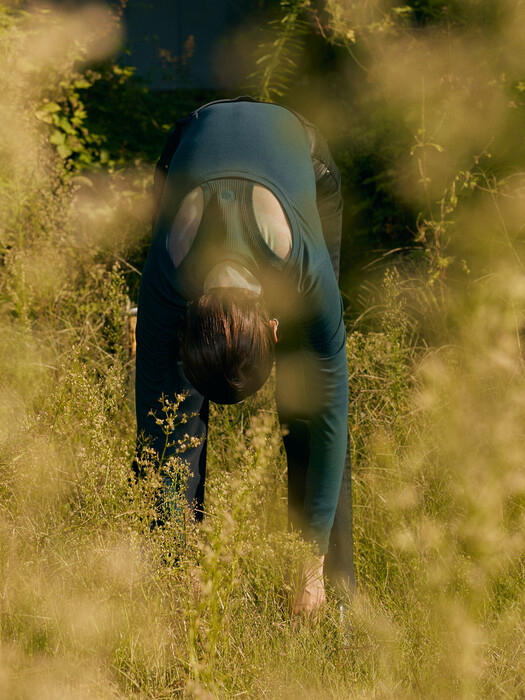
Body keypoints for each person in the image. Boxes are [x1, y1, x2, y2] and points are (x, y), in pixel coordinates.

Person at [135, 96, 354, 614]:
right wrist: (178, 556)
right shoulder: (168, 275)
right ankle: (173, 584)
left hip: (301, 152)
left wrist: (310, 563)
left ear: (277, 325)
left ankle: (331, 597)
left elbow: (330, 413)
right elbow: (156, 423)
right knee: (174, 411)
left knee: (311, 399)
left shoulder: (300, 266)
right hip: (187, 146)